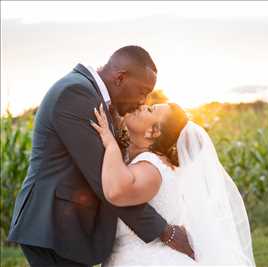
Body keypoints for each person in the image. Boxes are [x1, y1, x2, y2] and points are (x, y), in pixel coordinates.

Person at [7, 46, 193, 267]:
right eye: (143, 91)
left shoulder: (90, 94)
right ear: (120, 78)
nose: (143, 101)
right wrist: (166, 232)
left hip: (66, 230)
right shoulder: (76, 93)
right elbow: (109, 186)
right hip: (53, 227)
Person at [90, 102, 256, 265]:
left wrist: (110, 144)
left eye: (150, 109)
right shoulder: (154, 162)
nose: (141, 106)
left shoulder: (150, 165)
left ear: (153, 132)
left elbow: (116, 192)